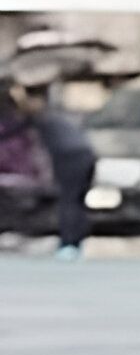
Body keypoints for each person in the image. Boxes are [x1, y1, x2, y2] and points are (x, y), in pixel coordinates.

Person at [11, 83, 96, 259]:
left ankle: (68, 244)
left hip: (70, 157)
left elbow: (16, 126)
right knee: (77, 199)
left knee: (69, 200)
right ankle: (75, 242)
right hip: (86, 153)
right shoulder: (54, 114)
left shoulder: (39, 115)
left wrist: (17, 96)